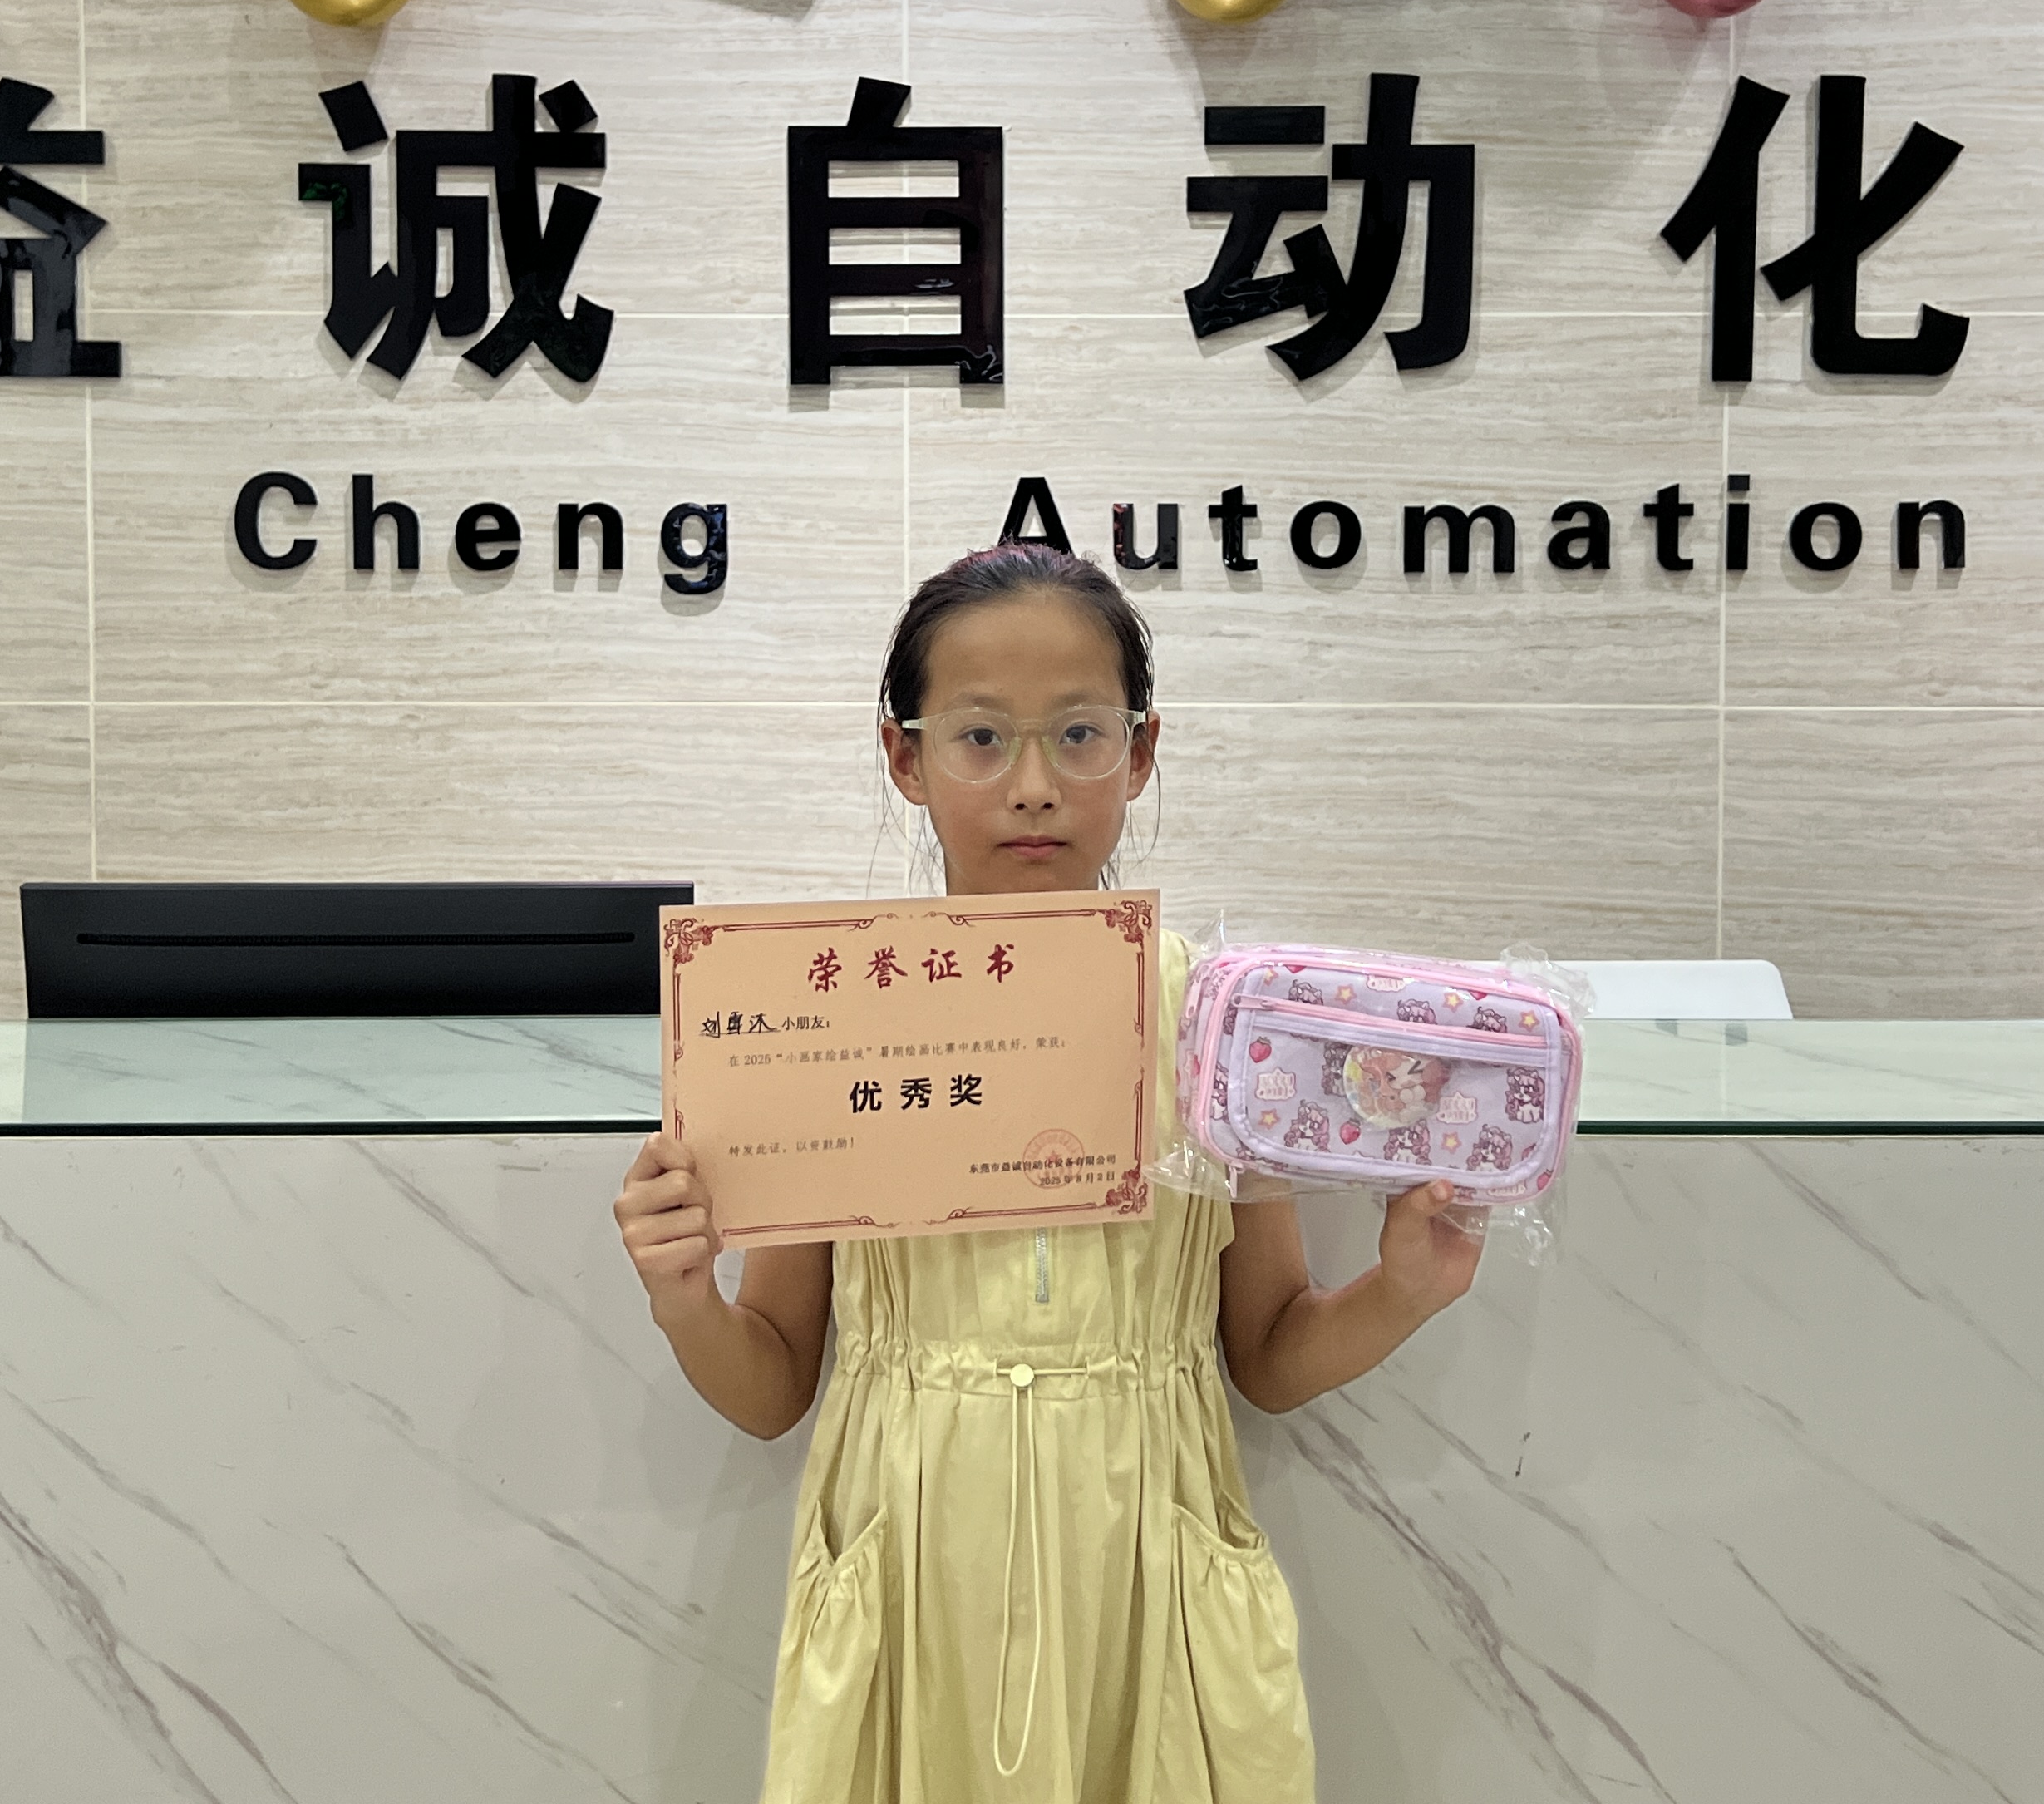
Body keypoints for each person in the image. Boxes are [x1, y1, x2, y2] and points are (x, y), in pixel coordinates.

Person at [612, 542, 1489, 1802]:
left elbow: (1267, 1352)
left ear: (1141, 751)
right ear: (904, 757)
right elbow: (771, 1385)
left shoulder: (1220, 1024)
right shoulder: (831, 1015)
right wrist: (685, 1295)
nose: (1033, 787)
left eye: (1080, 735)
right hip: (918, 1569)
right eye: (980, 738)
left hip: (1145, 1563)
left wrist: (1404, 1290)